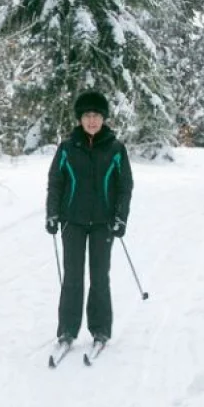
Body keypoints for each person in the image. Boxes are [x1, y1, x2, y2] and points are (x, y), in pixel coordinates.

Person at [45, 90, 133, 348]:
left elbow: (125, 186)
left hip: (104, 224)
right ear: (80, 119)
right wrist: (52, 213)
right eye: (87, 115)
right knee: (72, 277)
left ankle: (100, 330)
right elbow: (55, 182)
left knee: (99, 277)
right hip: (72, 221)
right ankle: (67, 331)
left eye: (96, 115)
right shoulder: (67, 148)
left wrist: (121, 217)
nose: (92, 120)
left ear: (103, 118)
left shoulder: (116, 148)